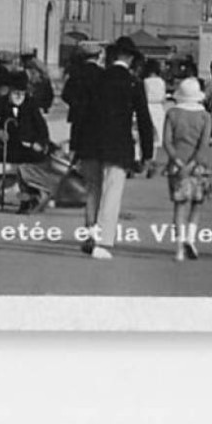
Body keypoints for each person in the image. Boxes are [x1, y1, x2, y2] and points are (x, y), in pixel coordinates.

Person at [70, 38, 154, 260]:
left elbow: (81, 112)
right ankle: (103, 240)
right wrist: (147, 154)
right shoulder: (134, 82)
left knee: (93, 190)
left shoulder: (97, 79)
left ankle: (90, 233)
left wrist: (75, 145)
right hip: (118, 145)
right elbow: (144, 120)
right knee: (112, 192)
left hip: (90, 142)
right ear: (131, 58)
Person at [0, 70, 59, 214]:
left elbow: (42, 130)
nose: (19, 96)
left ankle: (31, 198)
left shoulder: (31, 105)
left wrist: (39, 143)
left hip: (28, 149)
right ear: (9, 91)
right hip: (7, 149)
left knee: (36, 161)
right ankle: (29, 199)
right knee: (23, 165)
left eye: (22, 93)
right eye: (15, 93)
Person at [161, 76, 212, 261]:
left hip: (176, 165)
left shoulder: (172, 113)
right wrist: (192, 164)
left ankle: (179, 248)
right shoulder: (205, 116)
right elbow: (204, 144)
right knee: (196, 205)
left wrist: (178, 162)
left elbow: (166, 141)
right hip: (199, 166)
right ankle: (191, 239)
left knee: (179, 206)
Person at [142, 59, 168, 170]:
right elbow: (163, 97)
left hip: (147, 106)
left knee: (144, 133)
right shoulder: (161, 82)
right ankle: (152, 159)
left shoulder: (145, 81)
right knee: (156, 136)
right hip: (158, 108)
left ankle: (142, 159)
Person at [21, 49, 55, 114]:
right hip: (42, 81)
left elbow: (35, 74)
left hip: (38, 82)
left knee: (38, 95)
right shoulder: (37, 62)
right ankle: (44, 107)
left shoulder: (31, 63)